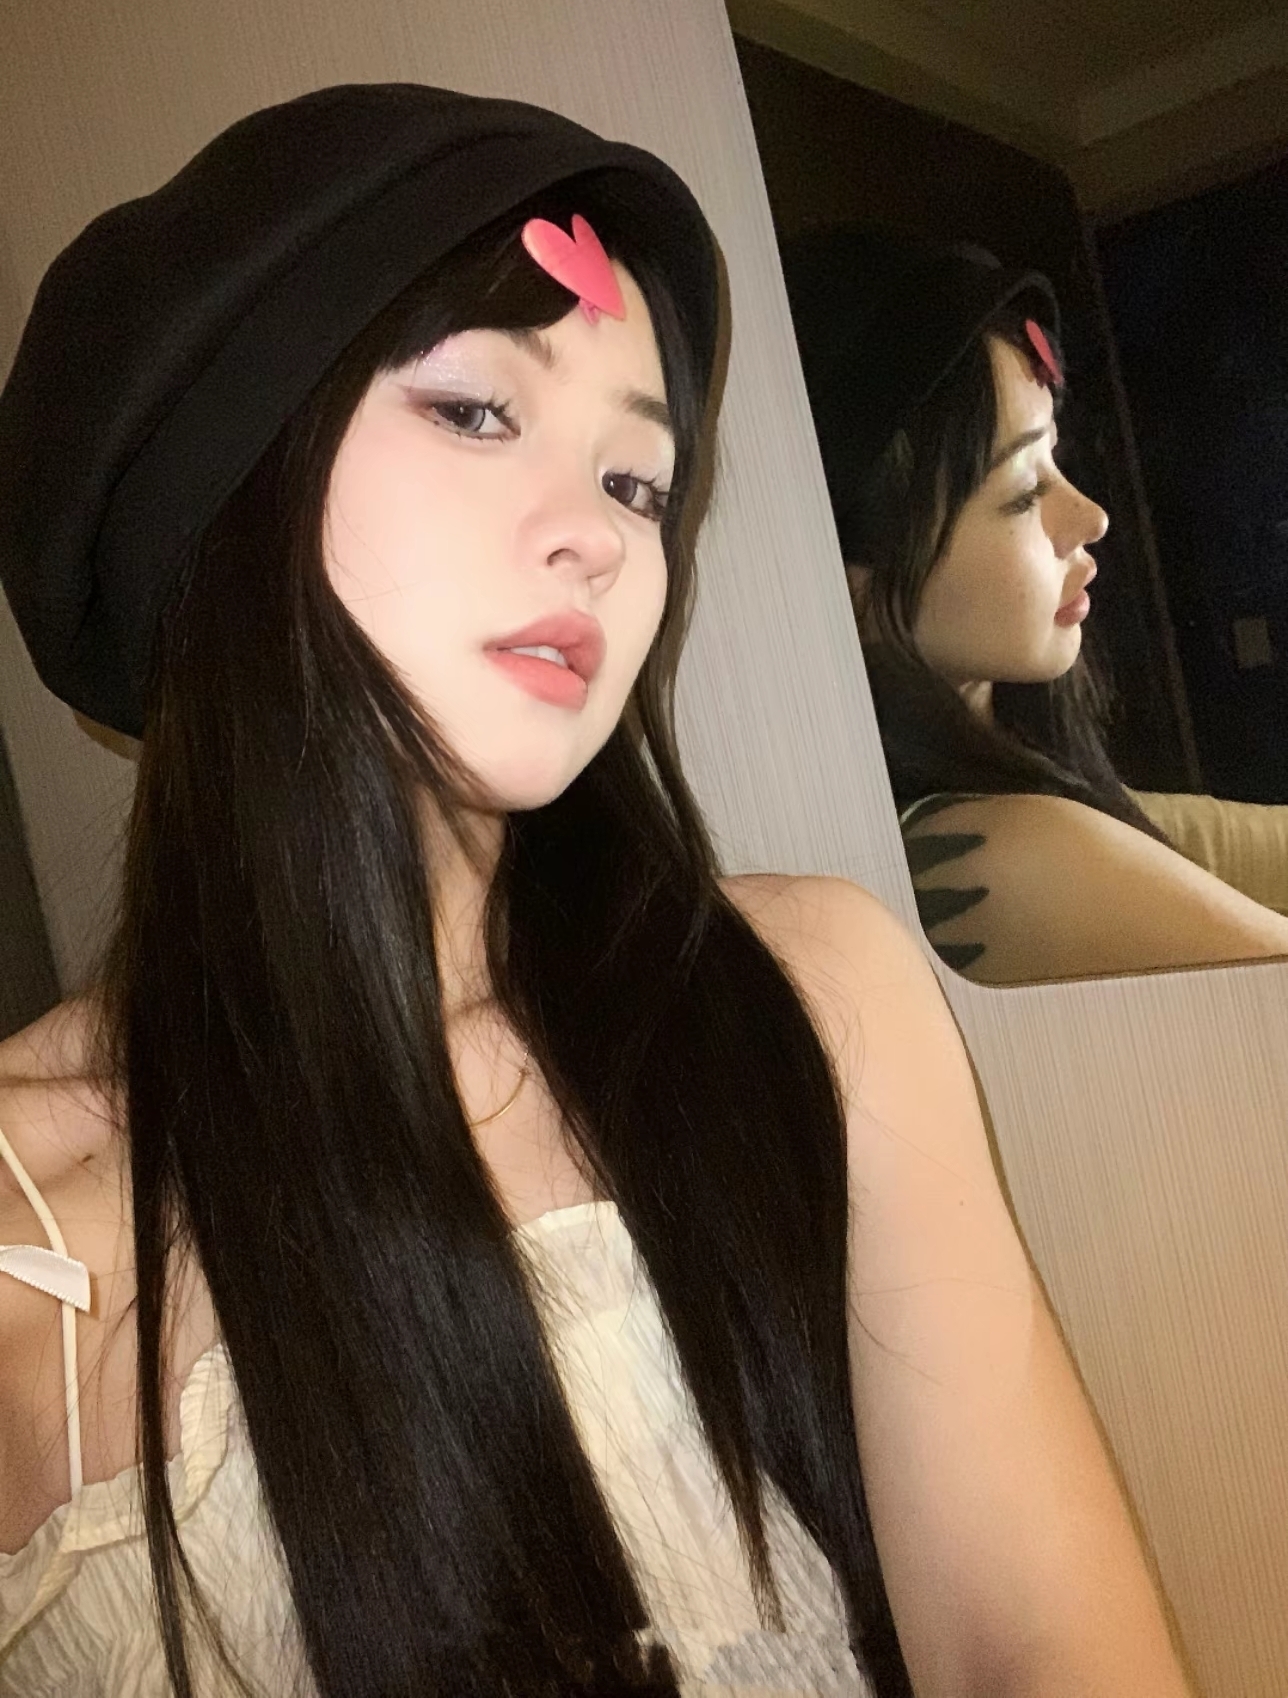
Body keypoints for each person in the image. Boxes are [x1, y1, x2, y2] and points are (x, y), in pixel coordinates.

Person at [0, 85, 1190, 1697]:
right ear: (217, 481)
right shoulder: (25, 1220)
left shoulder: (807, 998)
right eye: (476, 410)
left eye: (640, 483)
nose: (601, 540)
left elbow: (1029, 1647)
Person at [781, 225, 1288, 985]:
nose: (1091, 516)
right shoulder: (997, 855)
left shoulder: (1025, 798)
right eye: (1023, 490)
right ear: (852, 576)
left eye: (1056, 458)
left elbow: (1208, 838)